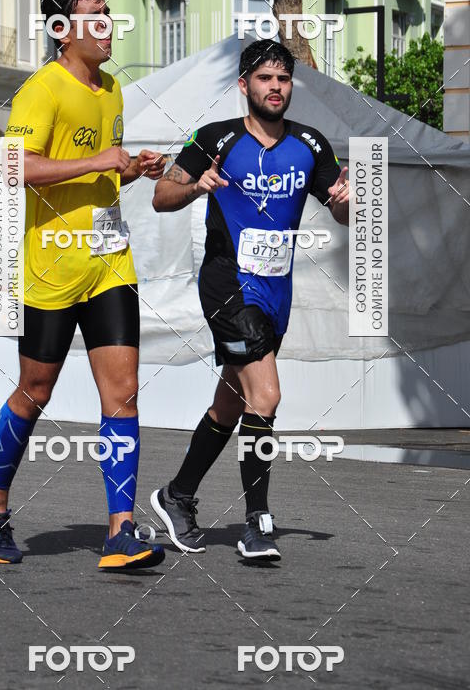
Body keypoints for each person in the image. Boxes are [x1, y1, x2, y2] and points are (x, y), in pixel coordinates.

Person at [0, 0, 167, 570]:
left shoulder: (113, 90)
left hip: (109, 263)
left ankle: (120, 530)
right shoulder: (42, 89)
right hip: (52, 267)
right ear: (62, 30)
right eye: (94, 17)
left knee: (123, 394)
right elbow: (15, 167)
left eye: (108, 14)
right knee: (36, 390)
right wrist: (97, 159)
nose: (107, 26)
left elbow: (99, 175)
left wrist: (130, 168)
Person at [150, 39, 349, 561]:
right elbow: (161, 196)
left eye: (283, 78)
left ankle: (177, 495)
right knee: (267, 396)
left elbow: (342, 210)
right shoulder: (214, 138)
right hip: (228, 285)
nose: (275, 87)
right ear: (244, 86)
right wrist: (197, 187)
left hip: (275, 291)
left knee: (231, 402)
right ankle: (256, 522)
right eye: (265, 78)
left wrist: (348, 201)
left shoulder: (310, 143)